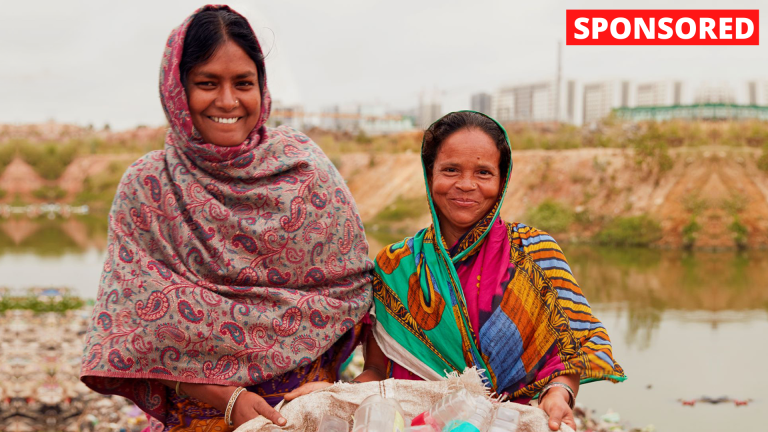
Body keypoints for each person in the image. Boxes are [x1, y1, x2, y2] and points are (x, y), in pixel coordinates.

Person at [80, 5, 372, 431]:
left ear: (262, 88)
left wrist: (360, 381)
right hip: (198, 419)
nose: (228, 101)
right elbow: (136, 330)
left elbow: (355, 292)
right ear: (177, 89)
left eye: (243, 83)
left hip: (305, 414)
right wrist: (226, 397)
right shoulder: (148, 188)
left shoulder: (305, 170)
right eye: (207, 83)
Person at [286, 111, 625, 431]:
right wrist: (334, 393)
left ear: (502, 180)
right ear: (429, 173)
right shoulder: (397, 265)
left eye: (483, 173)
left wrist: (558, 395)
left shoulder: (535, 253)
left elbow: (568, 356)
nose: (466, 184)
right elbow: (376, 371)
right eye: (450, 170)